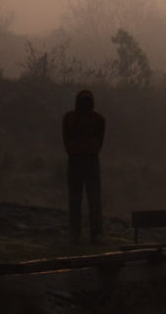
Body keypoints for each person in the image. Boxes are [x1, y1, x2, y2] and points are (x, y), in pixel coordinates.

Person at [62, 89, 105, 243]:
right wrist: (74, 150)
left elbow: (100, 140)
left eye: (87, 101)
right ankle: (75, 234)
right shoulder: (69, 118)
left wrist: (89, 150)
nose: (85, 105)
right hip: (76, 160)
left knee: (93, 200)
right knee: (76, 200)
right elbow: (65, 137)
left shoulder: (98, 120)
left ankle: (96, 234)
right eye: (83, 101)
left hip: (90, 160)